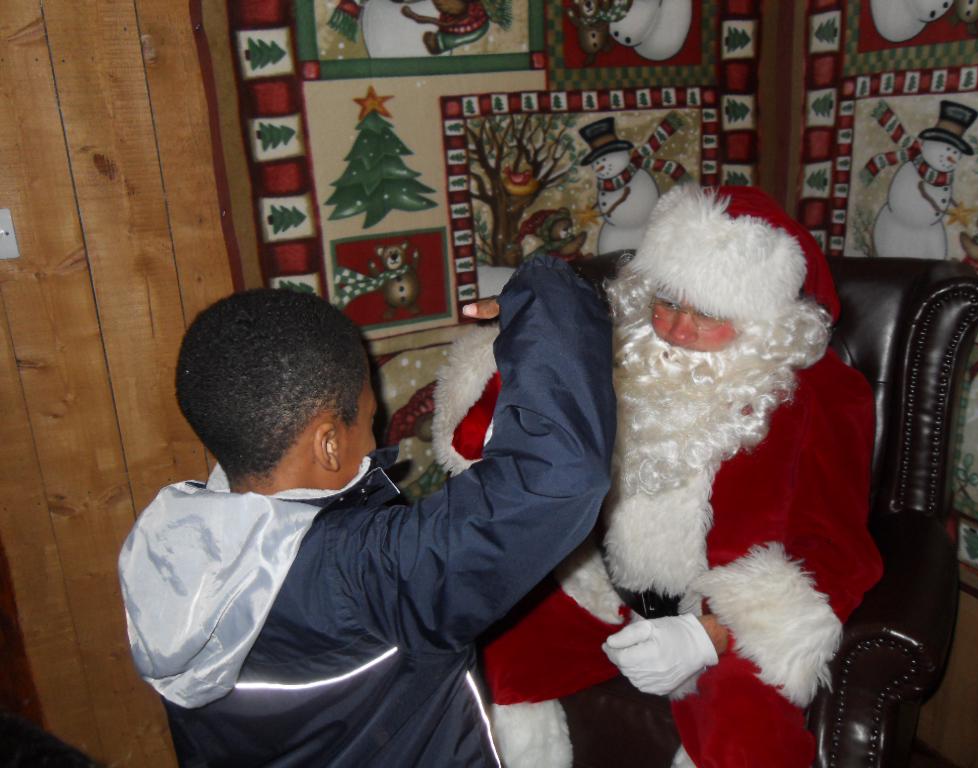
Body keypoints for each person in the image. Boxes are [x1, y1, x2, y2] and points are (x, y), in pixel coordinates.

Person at [431, 184, 884, 767]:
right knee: (490, 655)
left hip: (723, 616)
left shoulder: (823, 397)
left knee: (744, 738)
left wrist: (707, 635)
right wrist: (525, 335)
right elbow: (476, 442)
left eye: (709, 313)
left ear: (762, 318)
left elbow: (836, 552)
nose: (677, 330)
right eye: (667, 302)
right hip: (608, 591)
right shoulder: (618, 352)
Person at [117, 255, 616, 768]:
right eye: (370, 419)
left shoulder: (172, 549)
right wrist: (550, 290)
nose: (375, 440)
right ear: (329, 444)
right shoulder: (361, 577)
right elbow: (560, 476)